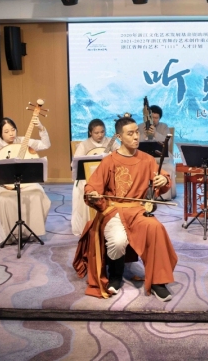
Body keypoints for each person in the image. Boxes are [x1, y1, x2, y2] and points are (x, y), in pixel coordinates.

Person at [74, 115, 178, 302]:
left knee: (156, 228)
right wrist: (92, 194)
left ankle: (158, 282)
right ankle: (116, 275)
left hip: (138, 210)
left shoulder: (147, 160)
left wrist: (163, 179)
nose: (136, 137)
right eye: (130, 134)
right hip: (113, 210)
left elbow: (162, 178)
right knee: (118, 241)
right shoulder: (109, 161)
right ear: (119, 137)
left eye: (137, 132)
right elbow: (91, 187)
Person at [0, 116, 51, 246]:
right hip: (3, 184)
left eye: (13, 130)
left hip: (24, 182)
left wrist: (41, 128)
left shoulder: (23, 141)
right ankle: (9, 234)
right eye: (6, 131)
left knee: (38, 193)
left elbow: (45, 144)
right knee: (3, 200)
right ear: (0, 133)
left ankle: (30, 232)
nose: (11, 134)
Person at [71, 119, 120, 236]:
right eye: (96, 133)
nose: (100, 135)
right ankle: (89, 222)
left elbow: (120, 155)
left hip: (108, 175)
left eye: (102, 132)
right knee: (85, 187)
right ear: (90, 133)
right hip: (89, 177)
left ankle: (111, 221)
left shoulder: (111, 141)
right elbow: (75, 164)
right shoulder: (84, 145)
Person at [138, 104, 176, 199]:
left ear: (159, 118)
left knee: (169, 168)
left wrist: (155, 133)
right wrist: (144, 134)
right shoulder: (139, 127)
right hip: (145, 158)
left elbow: (168, 143)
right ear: (147, 118)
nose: (154, 120)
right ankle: (145, 194)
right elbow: (135, 143)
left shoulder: (164, 127)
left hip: (161, 157)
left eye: (156, 118)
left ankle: (165, 196)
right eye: (152, 117)